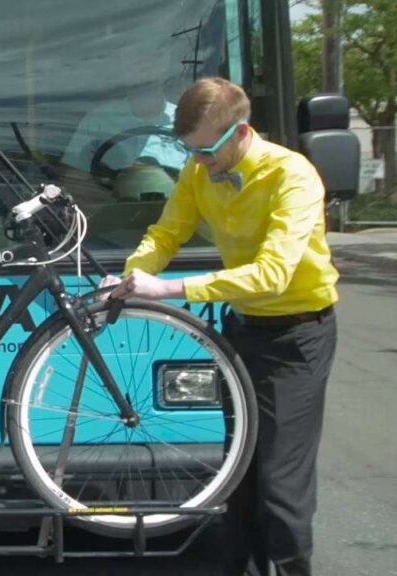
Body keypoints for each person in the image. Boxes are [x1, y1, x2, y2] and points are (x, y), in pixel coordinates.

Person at [107, 77, 338, 576]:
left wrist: (168, 290)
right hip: (243, 329)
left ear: (241, 132)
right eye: (186, 150)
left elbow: (273, 275)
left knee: (282, 484)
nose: (197, 162)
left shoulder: (292, 177)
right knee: (239, 474)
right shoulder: (198, 170)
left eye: (206, 151)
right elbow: (167, 231)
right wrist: (134, 273)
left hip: (298, 336)